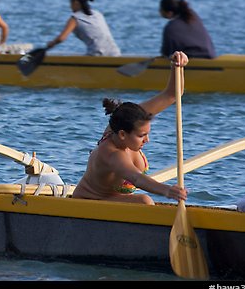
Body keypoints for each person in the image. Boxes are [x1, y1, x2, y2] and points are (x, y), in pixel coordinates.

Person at [72, 51, 189, 205]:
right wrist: (167, 191)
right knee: (144, 200)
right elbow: (136, 178)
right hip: (88, 203)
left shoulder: (132, 118)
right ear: (122, 134)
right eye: (142, 135)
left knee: (145, 200)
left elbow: (172, 95)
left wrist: (177, 66)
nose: (147, 140)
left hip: (115, 199)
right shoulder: (112, 154)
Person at [46, 0, 121, 56]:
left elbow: (61, 38)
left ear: (75, 3)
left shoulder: (75, 18)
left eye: (70, 3)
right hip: (115, 53)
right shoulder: (97, 14)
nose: (70, 6)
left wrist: (52, 43)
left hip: (98, 55)